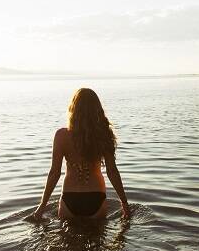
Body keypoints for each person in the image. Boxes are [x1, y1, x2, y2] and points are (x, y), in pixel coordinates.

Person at [26, 88, 130, 221]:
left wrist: (42, 206)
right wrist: (124, 203)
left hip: (70, 199)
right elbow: (112, 171)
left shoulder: (61, 136)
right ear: (97, 109)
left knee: (68, 240)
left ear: (73, 108)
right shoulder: (103, 134)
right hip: (96, 199)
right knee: (98, 240)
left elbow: (54, 173)